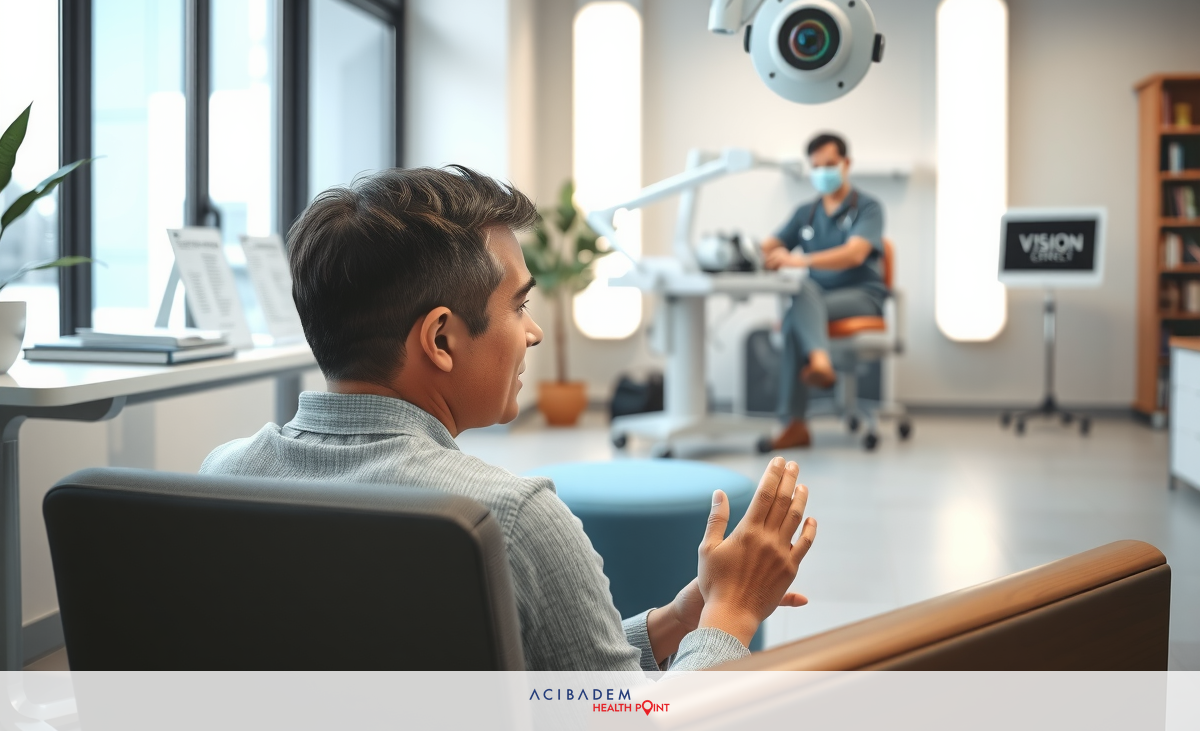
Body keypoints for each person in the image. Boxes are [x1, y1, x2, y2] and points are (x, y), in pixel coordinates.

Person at [201, 166, 819, 671]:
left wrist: (677, 622)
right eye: (519, 305)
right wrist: (731, 613)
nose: (534, 331)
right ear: (441, 339)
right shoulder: (507, 521)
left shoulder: (221, 477)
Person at [761, 133, 888, 450]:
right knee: (801, 295)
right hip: (816, 298)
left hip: (860, 297)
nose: (823, 172)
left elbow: (855, 253)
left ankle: (796, 420)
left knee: (795, 313)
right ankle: (815, 376)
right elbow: (770, 245)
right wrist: (754, 252)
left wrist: (799, 258)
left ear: (847, 164)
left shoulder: (868, 208)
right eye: (816, 167)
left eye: (830, 164)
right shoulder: (807, 213)